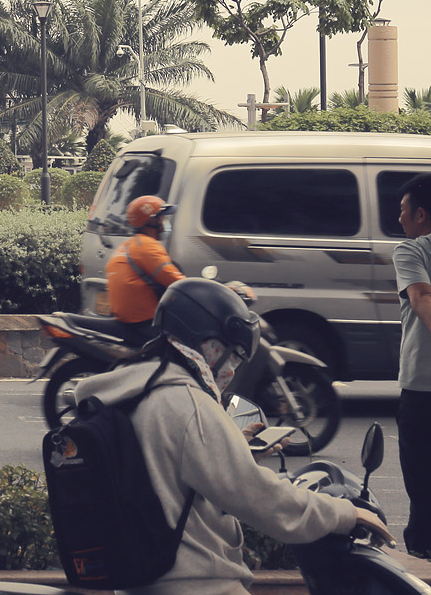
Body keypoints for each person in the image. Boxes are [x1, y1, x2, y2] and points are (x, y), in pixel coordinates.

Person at [73, 278, 389, 593]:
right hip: (196, 585)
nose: (233, 369)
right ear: (209, 345)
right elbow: (263, 501)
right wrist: (346, 514)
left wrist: (239, 453)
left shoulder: (130, 388)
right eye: (233, 355)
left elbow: (160, 470)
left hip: (141, 580)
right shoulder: (189, 405)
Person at [394, 172, 431, 556]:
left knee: (423, 493)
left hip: (422, 391)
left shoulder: (412, 251)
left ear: (421, 214)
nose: (398, 216)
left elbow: (421, 297)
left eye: (403, 209)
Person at [106, 195, 184, 341]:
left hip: (127, 323)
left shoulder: (127, 246)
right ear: (151, 221)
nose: (165, 223)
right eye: (162, 219)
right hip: (146, 324)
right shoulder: (147, 246)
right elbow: (176, 282)